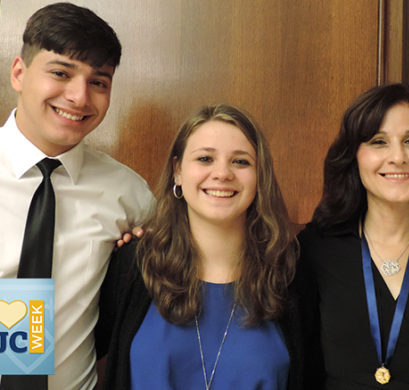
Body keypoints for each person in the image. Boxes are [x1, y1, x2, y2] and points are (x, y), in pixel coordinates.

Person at [0, 3, 154, 389]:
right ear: (19, 73)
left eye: (98, 82)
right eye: (61, 73)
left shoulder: (129, 194)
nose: (79, 97)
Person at [95, 104, 302, 389]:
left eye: (241, 162)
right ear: (177, 171)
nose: (222, 173)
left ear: (260, 177)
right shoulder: (135, 265)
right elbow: (65, 349)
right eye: (205, 158)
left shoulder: (291, 273)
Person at [297, 83, 409, 389]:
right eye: (379, 142)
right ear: (355, 156)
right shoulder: (317, 248)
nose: (398, 157)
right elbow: (300, 368)